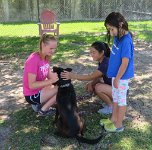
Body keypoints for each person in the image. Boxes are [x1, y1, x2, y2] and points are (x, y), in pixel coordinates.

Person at [100, 12, 134, 132]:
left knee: (121, 100)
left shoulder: (125, 41)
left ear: (120, 25)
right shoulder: (118, 37)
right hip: (116, 76)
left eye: (112, 29)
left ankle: (119, 125)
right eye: (109, 29)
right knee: (115, 98)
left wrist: (118, 78)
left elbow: (125, 63)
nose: (110, 32)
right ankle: (113, 119)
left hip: (122, 77)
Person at [61, 41, 112, 114]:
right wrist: (91, 84)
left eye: (93, 52)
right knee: (95, 84)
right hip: (115, 89)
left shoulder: (106, 63)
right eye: (90, 52)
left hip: (120, 92)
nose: (91, 55)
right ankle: (109, 102)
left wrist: (72, 75)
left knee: (98, 87)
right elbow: (99, 76)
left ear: (102, 52)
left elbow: (90, 77)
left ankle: (111, 107)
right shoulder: (103, 60)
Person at [23, 34, 59, 116]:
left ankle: (38, 105)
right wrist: (51, 81)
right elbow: (31, 85)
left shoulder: (46, 57)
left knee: (63, 86)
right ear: (43, 45)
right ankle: (43, 110)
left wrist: (59, 77)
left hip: (40, 89)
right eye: (51, 48)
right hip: (32, 95)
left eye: (54, 48)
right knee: (62, 90)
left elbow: (49, 74)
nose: (53, 51)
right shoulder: (33, 60)